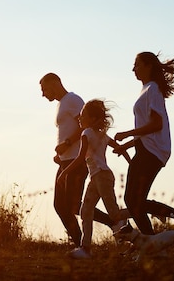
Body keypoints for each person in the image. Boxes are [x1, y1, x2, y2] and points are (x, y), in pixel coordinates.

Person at [113, 51, 174, 238]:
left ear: (148, 66)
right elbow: (147, 129)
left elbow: (156, 125)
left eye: (136, 64)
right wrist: (127, 145)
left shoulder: (152, 89)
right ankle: (155, 242)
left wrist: (127, 133)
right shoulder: (147, 89)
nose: (133, 69)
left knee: (133, 200)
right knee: (134, 201)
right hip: (146, 149)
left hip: (152, 152)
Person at [40, 73, 117, 247]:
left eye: (44, 89)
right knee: (60, 206)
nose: (43, 94)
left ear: (55, 83)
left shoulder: (72, 100)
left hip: (77, 159)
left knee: (73, 205)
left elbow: (85, 127)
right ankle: (80, 244)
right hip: (65, 159)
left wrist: (66, 144)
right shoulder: (62, 104)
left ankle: (110, 226)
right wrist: (60, 154)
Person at [58, 99, 130, 259]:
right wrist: (129, 161)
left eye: (82, 116)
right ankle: (85, 248)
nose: (79, 119)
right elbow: (119, 148)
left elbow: (79, 158)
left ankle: (138, 211)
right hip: (97, 177)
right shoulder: (101, 134)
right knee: (85, 211)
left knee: (114, 214)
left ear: (91, 119)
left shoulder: (86, 133)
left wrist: (65, 172)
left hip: (101, 177)